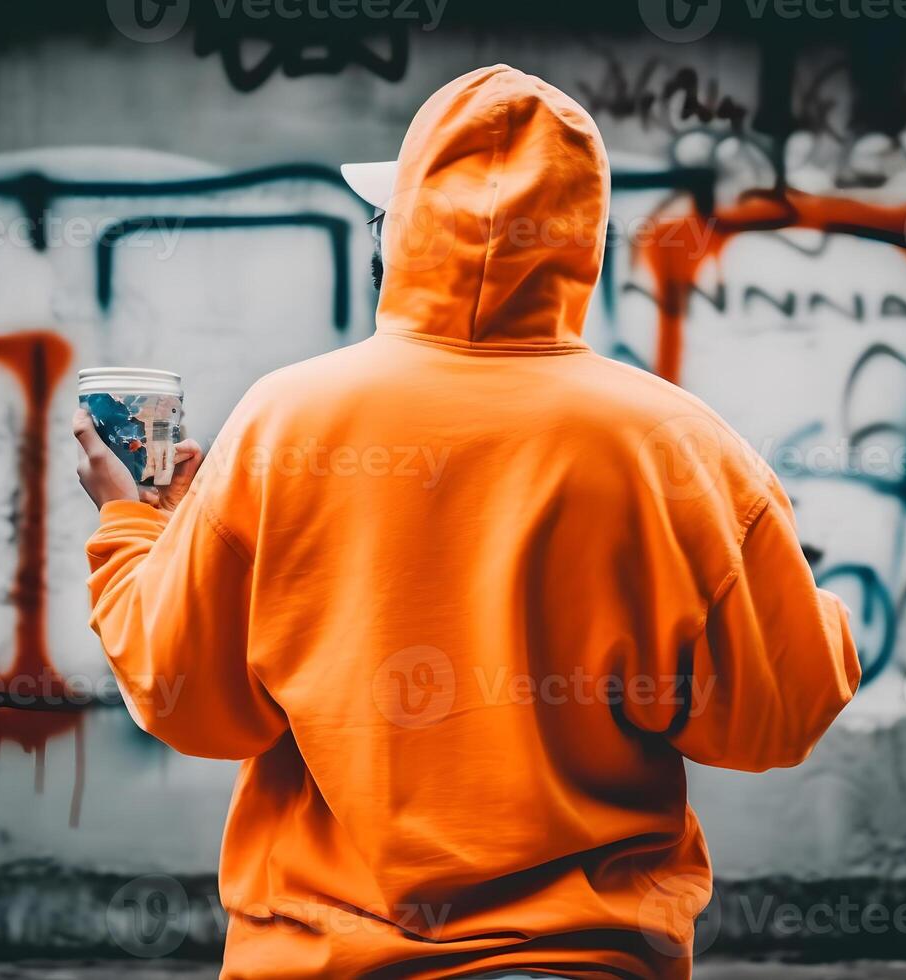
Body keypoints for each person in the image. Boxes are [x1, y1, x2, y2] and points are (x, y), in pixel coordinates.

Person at [73, 64, 860, 980]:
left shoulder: (284, 422)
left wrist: (132, 524)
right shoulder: (676, 444)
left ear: (400, 230)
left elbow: (192, 703)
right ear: (580, 239)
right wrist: (799, 602)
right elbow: (776, 719)